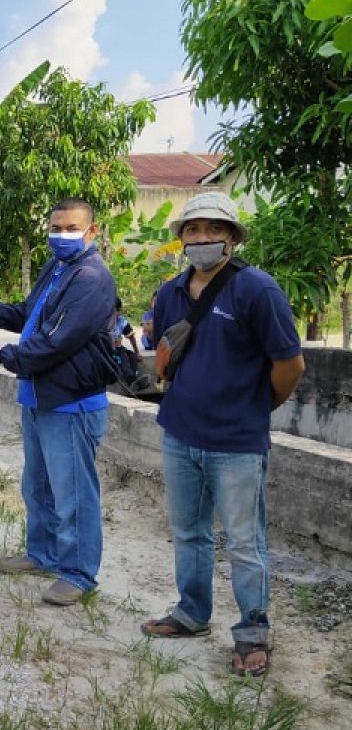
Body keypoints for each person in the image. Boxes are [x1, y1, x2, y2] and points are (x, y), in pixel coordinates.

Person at [139, 192, 305, 677]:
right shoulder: (170, 293)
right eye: (193, 230)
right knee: (188, 532)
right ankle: (192, 613)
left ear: (232, 237)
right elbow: (165, 349)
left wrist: (258, 408)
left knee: (243, 541)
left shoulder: (257, 290)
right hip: (179, 432)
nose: (203, 238)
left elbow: (290, 364)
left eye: (214, 229)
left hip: (236, 441)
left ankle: (253, 633)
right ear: (182, 239)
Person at [0, 198, 117, 606]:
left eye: (71, 228)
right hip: (39, 396)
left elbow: (55, 343)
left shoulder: (91, 278)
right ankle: (43, 553)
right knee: (39, 486)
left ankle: (78, 573)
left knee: (74, 493)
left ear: (91, 231)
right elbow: (30, 315)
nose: (60, 235)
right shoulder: (58, 268)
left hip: (71, 403)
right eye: (55, 226)